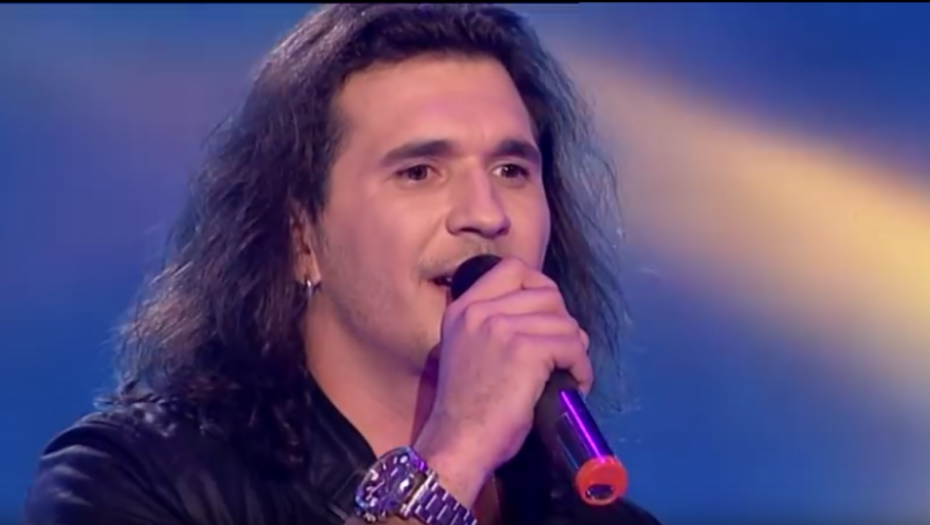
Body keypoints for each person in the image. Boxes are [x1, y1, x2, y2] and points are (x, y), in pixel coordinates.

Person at [21, 4, 661, 525]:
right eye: (419, 172)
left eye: (512, 170)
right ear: (301, 236)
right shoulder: (134, 480)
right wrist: (456, 451)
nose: (486, 214)